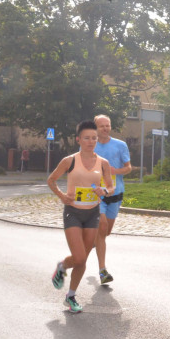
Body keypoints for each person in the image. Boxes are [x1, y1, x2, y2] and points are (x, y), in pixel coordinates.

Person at [46, 120, 114, 313]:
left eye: (94, 138)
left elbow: (110, 186)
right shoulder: (70, 161)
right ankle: (62, 266)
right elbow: (51, 180)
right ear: (79, 140)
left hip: (92, 213)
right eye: (87, 138)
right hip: (73, 212)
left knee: (82, 260)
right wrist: (62, 196)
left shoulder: (103, 163)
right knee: (79, 256)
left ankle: (71, 296)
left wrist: (105, 192)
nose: (91, 141)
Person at [91, 114, 132, 285]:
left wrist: (114, 171)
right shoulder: (89, 146)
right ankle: (103, 271)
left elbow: (128, 168)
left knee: (105, 232)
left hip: (115, 193)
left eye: (107, 125)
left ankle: (94, 243)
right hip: (97, 194)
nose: (106, 128)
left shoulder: (120, 145)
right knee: (102, 227)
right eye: (102, 126)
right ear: (96, 129)